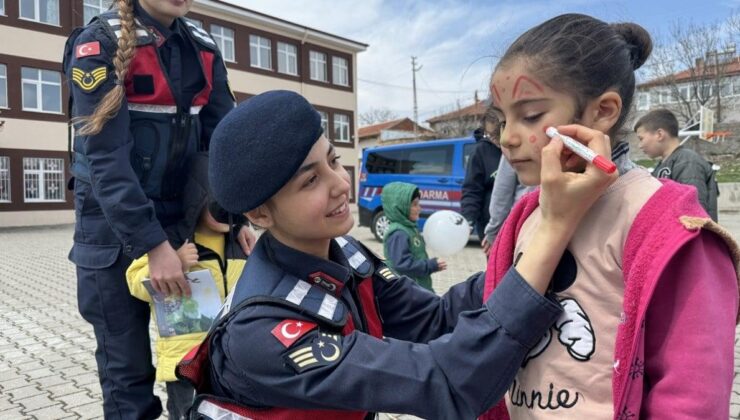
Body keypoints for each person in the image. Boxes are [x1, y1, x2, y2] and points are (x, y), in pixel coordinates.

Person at [175, 89, 625, 419]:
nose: (339, 185)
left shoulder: (343, 254)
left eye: (334, 161)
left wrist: (531, 247)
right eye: (310, 181)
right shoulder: (264, 332)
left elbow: (436, 319)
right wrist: (552, 229)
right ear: (261, 213)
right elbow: (447, 384)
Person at [480, 14, 739, 419]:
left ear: (603, 112)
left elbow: (693, 395)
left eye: (529, 115)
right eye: (500, 119)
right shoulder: (524, 217)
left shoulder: (665, 226)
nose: (507, 137)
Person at [62, 0, 255, 416]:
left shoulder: (204, 47)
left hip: (183, 229)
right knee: (127, 377)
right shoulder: (98, 44)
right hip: (113, 236)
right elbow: (105, 160)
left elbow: (219, 143)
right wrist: (154, 246)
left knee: (191, 363)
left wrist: (229, 214)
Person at [126, 153, 245, 419]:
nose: (225, 210)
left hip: (232, 360)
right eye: (217, 201)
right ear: (198, 198)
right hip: (185, 362)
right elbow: (135, 282)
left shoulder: (240, 243)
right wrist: (176, 263)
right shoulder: (170, 243)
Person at [635, 108, 719, 221]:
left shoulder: (688, 161)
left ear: (659, 134)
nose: (640, 146)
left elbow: (693, 216)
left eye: (641, 139)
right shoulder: (663, 164)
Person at [481, 112, 534, 255]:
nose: (504, 140)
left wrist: (493, 231)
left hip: (523, 224)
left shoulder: (513, 148)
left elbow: (502, 193)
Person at [381, 181, 447, 291]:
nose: (419, 208)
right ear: (400, 207)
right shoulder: (398, 233)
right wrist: (430, 265)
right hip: (408, 293)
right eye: (415, 204)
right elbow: (402, 265)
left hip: (417, 288)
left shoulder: (409, 228)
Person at [461, 110, 503, 238]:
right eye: (490, 135)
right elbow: (472, 189)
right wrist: (468, 220)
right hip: (490, 226)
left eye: (497, 133)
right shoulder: (480, 152)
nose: (494, 139)